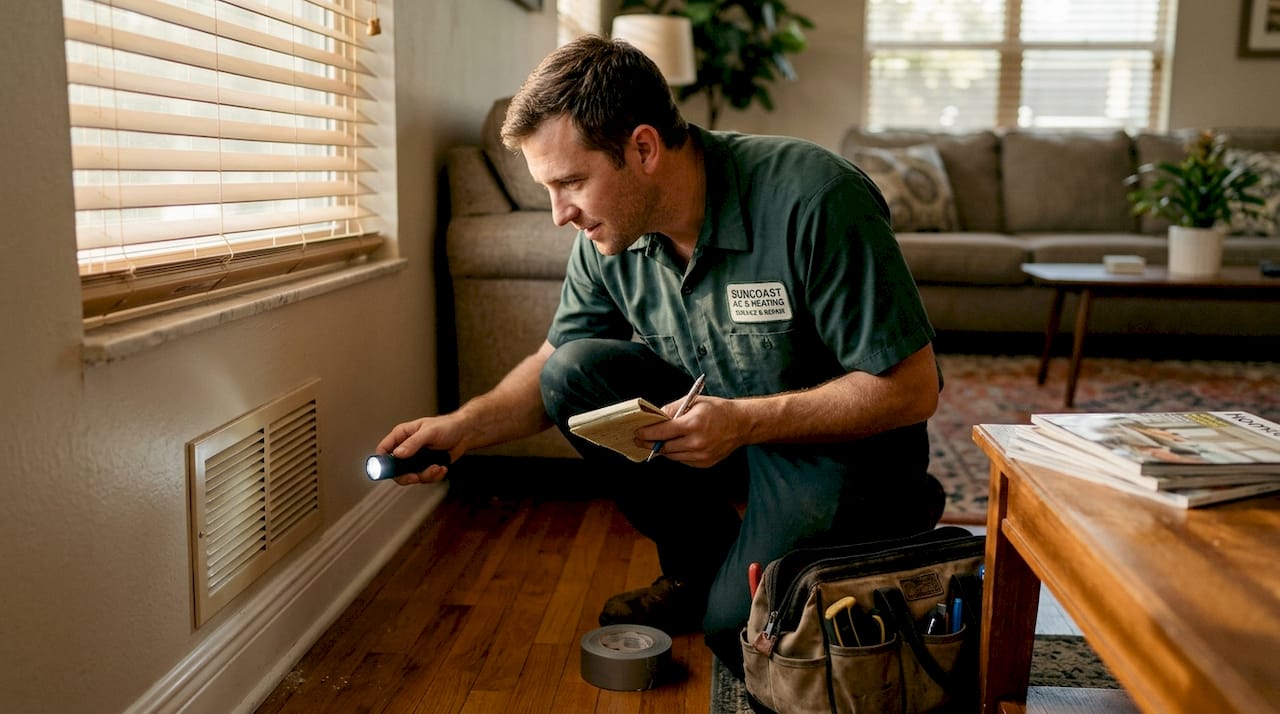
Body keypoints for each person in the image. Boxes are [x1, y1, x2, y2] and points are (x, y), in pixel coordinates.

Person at [376, 34, 946, 682]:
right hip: (732, 427)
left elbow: (912, 389)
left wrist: (747, 422)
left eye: (571, 183)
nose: (560, 215)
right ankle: (700, 567)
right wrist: (464, 429)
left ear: (644, 148)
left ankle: (891, 527)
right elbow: (553, 362)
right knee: (576, 373)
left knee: (738, 635)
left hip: (843, 448)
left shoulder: (816, 197)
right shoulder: (609, 234)